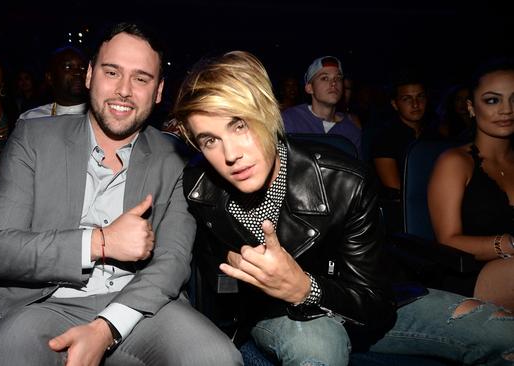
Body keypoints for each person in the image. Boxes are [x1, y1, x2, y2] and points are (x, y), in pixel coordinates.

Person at [173, 50, 514, 366]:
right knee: (320, 347)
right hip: (275, 313)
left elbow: (375, 301)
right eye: (210, 140)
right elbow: (216, 292)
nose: (230, 154)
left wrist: (306, 287)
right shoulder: (202, 189)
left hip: (363, 303)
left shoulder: (345, 182)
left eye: (239, 125)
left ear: (267, 112)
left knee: (500, 332)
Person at [0, 22, 241, 366]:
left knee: (216, 358)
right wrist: (100, 242)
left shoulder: (176, 157)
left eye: (141, 78)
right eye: (112, 72)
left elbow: (172, 262)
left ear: (158, 91)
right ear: (91, 75)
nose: (124, 90)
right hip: (42, 305)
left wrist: (107, 327)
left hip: (143, 307)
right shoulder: (32, 138)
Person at [428, 58, 514, 310]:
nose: (507, 109)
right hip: (469, 276)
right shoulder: (455, 162)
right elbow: (447, 240)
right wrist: (508, 243)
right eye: (492, 100)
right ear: (471, 107)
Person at [371, 71, 439, 195]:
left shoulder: (434, 136)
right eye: (406, 99)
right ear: (395, 104)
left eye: (420, 96)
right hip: (403, 208)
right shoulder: (384, 138)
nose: (415, 104)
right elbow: (395, 189)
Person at [281, 56, 362, 154]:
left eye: (338, 78)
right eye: (325, 78)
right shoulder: (290, 119)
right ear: (309, 88)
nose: (333, 83)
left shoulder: (351, 131)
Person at [19, 46, 88, 120]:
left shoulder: (98, 117)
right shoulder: (31, 119)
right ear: (50, 77)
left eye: (82, 68)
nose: (78, 72)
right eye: (68, 67)